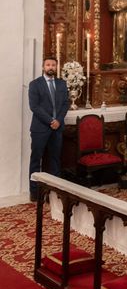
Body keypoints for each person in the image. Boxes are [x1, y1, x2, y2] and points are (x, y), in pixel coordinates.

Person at [28, 57, 69, 201]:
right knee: (36, 160)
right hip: (40, 128)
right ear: (43, 67)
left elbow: (65, 104)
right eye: (48, 65)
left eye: (53, 65)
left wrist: (58, 120)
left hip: (57, 129)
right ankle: (35, 193)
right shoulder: (35, 84)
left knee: (55, 160)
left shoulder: (62, 84)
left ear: (56, 67)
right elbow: (34, 107)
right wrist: (50, 120)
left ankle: (55, 192)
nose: (50, 67)